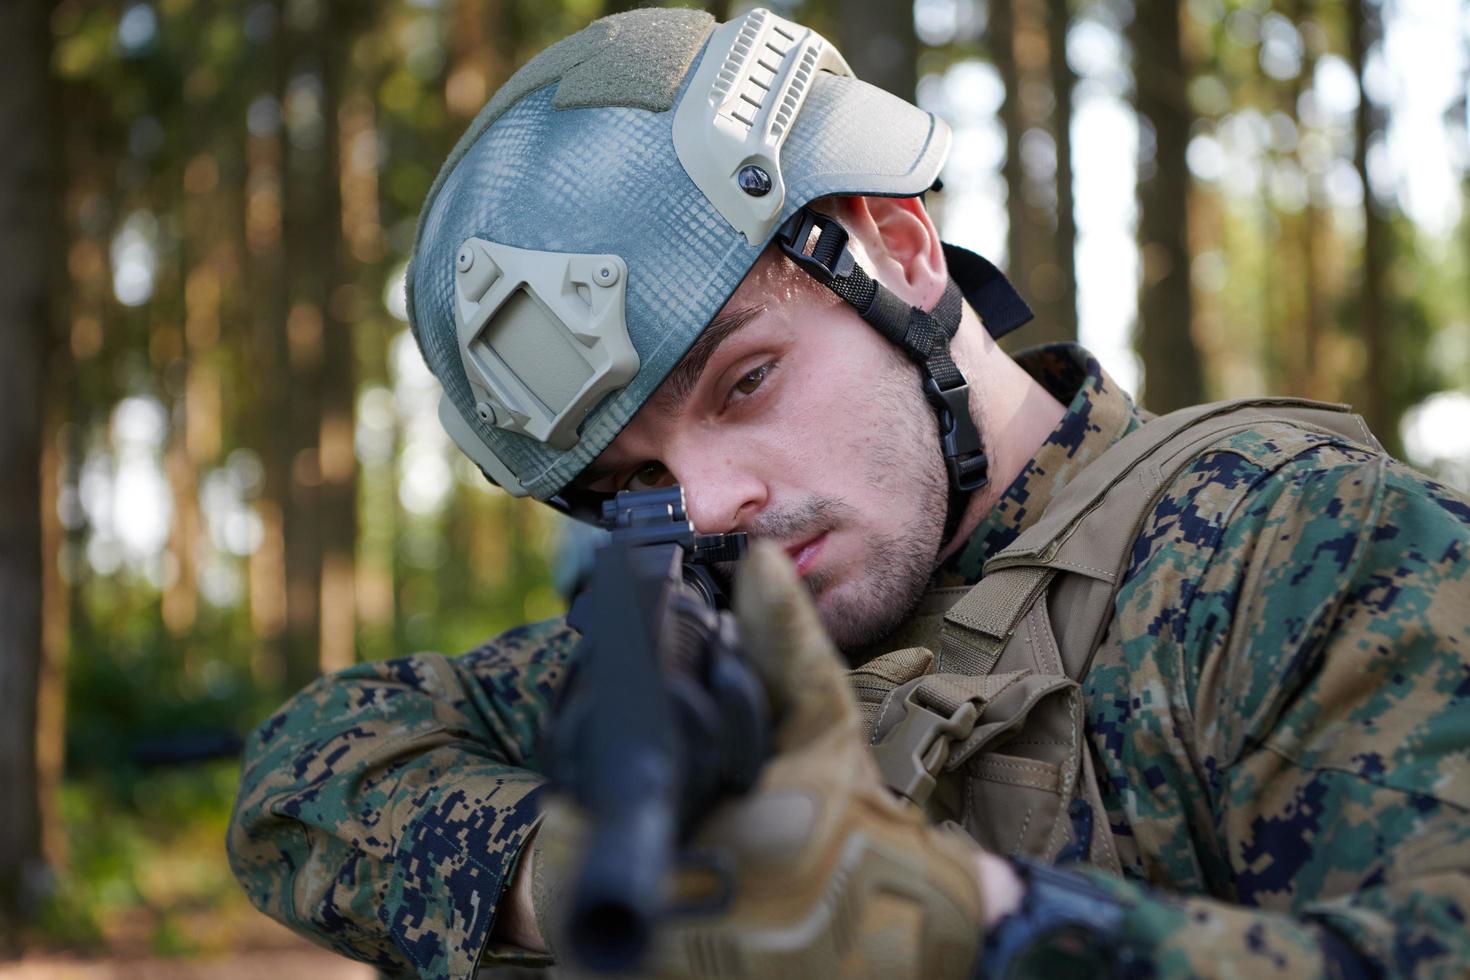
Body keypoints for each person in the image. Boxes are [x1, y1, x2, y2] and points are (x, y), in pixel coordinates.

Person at [227, 7, 1470, 979]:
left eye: (744, 380)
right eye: (635, 481)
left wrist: (982, 931)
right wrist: (572, 869)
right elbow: (300, 771)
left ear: (901, 247)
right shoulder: (714, 637)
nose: (709, 503)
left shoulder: (1294, 552)